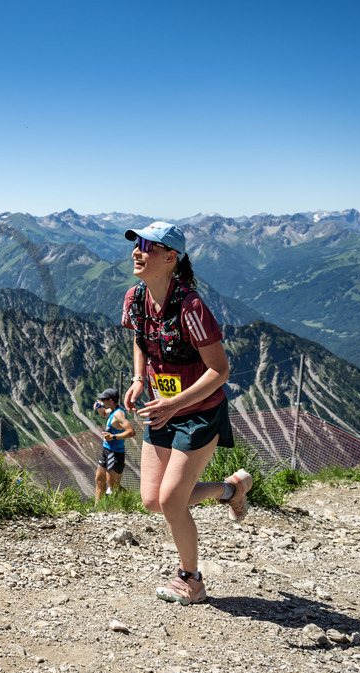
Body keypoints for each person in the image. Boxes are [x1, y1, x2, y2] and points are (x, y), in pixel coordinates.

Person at [120, 221, 252, 606]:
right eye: (136, 244)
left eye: (147, 245)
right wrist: (139, 378)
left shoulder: (191, 307)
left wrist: (175, 404)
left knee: (173, 502)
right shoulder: (134, 298)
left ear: (170, 258)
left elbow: (220, 371)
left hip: (198, 413)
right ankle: (232, 489)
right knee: (152, 501)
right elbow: (140, 338)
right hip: (162, 407)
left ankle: (191, 581)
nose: (137, 251)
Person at [93, 387, 134, 504]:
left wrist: (113, 437)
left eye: (103, 399)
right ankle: (97, 508)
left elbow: (131, 432)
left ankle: (130, 500)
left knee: (113, 486)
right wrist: (99, 408)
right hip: (107, 450)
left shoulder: (119, 414)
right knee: (99, 480)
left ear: (110, 400)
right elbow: (104, 414)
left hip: (115, 453)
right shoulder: (113, 409)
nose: (102, 400)